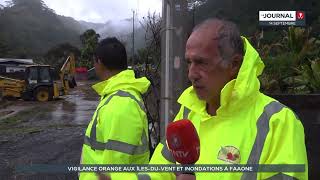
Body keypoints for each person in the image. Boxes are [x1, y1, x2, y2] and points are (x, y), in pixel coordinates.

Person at [137, 18, 308, 179]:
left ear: (234, 64)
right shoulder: (188, 112)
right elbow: (157, 173)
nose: (191, 74)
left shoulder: (278, 121)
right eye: (189, 62)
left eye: (201, 62)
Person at [79, 37, 150, 180]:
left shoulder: (121, 103)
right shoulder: (116, 95)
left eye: (94, 61)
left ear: (99, 62)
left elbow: (113, 170)